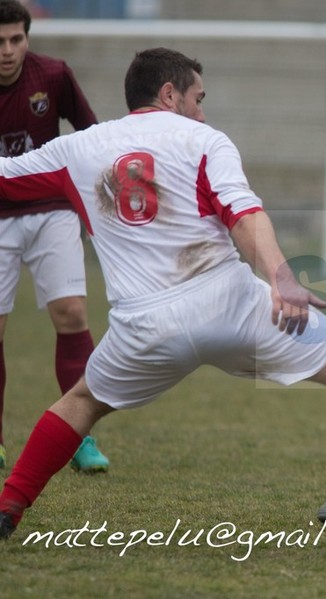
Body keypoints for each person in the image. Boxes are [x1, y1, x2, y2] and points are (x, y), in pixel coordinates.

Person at [0, 47, 326, 544]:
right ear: (169, 94)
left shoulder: (76, 148)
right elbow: (243, 214)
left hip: (143, 326)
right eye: (198, 98)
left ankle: (7, 509)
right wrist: (282, 276)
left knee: (80, 403)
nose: (201, 111)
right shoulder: (204, 140)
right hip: (229, 304)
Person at [0, 0, 109, 472]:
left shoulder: (53, 74)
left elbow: (92, 134)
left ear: (28, 37)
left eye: (16, 39)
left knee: (72, 313)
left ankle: (79, 438)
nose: (8, 51)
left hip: (51, 209)